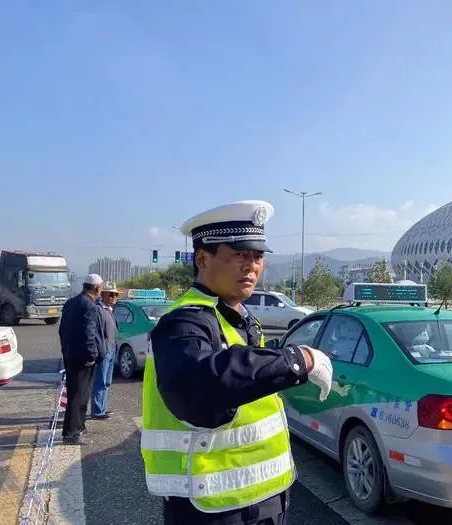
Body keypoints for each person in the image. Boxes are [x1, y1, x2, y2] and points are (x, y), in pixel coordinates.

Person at [142, 200, 333, 525]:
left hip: (263, 499)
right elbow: (202, 381)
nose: (251, 266)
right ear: (202, 259)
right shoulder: (183, 322)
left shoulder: (236, 316)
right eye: (239, 255)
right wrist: (297, 361)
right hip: (214, 507)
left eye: (258, 256)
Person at [59, 273, 106, 445]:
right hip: (83, 359)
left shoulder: (71, 303)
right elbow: (89, 333)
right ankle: (73, 433)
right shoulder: (90, 306)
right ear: (97, 288)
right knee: (79, 396)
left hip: (71, 355)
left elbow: (62, 331)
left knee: (74, 394)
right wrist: (91, 355)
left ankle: (76, 427)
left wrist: (66, 350)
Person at [91, 281, 119, 420]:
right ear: (103, 294)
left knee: (107, 381)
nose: (114, 297)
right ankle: (97, 411)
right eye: (111, 294)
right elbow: (95, 332)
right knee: (100, 381)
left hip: (112, 349)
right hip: (104, 350)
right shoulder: (98, 309)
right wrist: (100, 350)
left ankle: (102, 407)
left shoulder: (109, 310)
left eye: (116, 294)